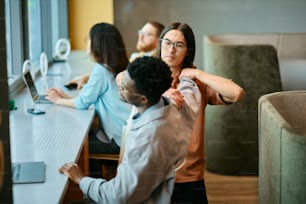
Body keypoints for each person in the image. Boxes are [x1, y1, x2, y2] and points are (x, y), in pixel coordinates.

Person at [59, 56, 201, 203]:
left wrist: (81, 179)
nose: (119, 87)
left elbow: (116, 197)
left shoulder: (147, 140)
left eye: (125, 87)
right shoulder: (168, 107)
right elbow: (190, 94)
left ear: (143, 99)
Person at [156, 22, 245, 204]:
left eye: (179, 45)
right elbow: (122, 79)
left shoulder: (197, 83)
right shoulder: (148, 76)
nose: (171, 50)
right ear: (160, 44)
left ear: (188, 50)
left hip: (189, 176)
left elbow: (236, 93)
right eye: (167, 42)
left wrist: (199, 74)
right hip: (154, 173)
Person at [45, 22, 132, 157]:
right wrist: (65, 97)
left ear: (96, 44)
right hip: (128, 136)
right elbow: (89, 97)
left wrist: (57, 101)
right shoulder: (118, 66)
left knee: (72, 144)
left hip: (118, 141)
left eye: (88, 39)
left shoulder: (101, 70)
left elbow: (82, 103)